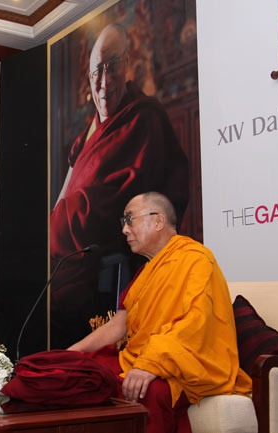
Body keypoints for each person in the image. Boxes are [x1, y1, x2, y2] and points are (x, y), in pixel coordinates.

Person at [50, 22, 190, 348]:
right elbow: (61, 200)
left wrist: (62, 221)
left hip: (110, 265)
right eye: (97, 71)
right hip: (68, 263)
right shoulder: (88, 130)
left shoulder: (145, 119)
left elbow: (119, 198)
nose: (104, 80)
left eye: (112, 66)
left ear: (127, 63)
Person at [69, 192, 252, 433]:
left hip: (186, 364)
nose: (125, 230)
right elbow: (117, 326)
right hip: (142, 358)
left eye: (130, 219)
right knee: (80, 373)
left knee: (149, 391)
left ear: (158, 221)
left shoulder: (196, 260)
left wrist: (152, 364)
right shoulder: (146, 272)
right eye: (124, 222)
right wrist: (74, 352)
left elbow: (196, 323)